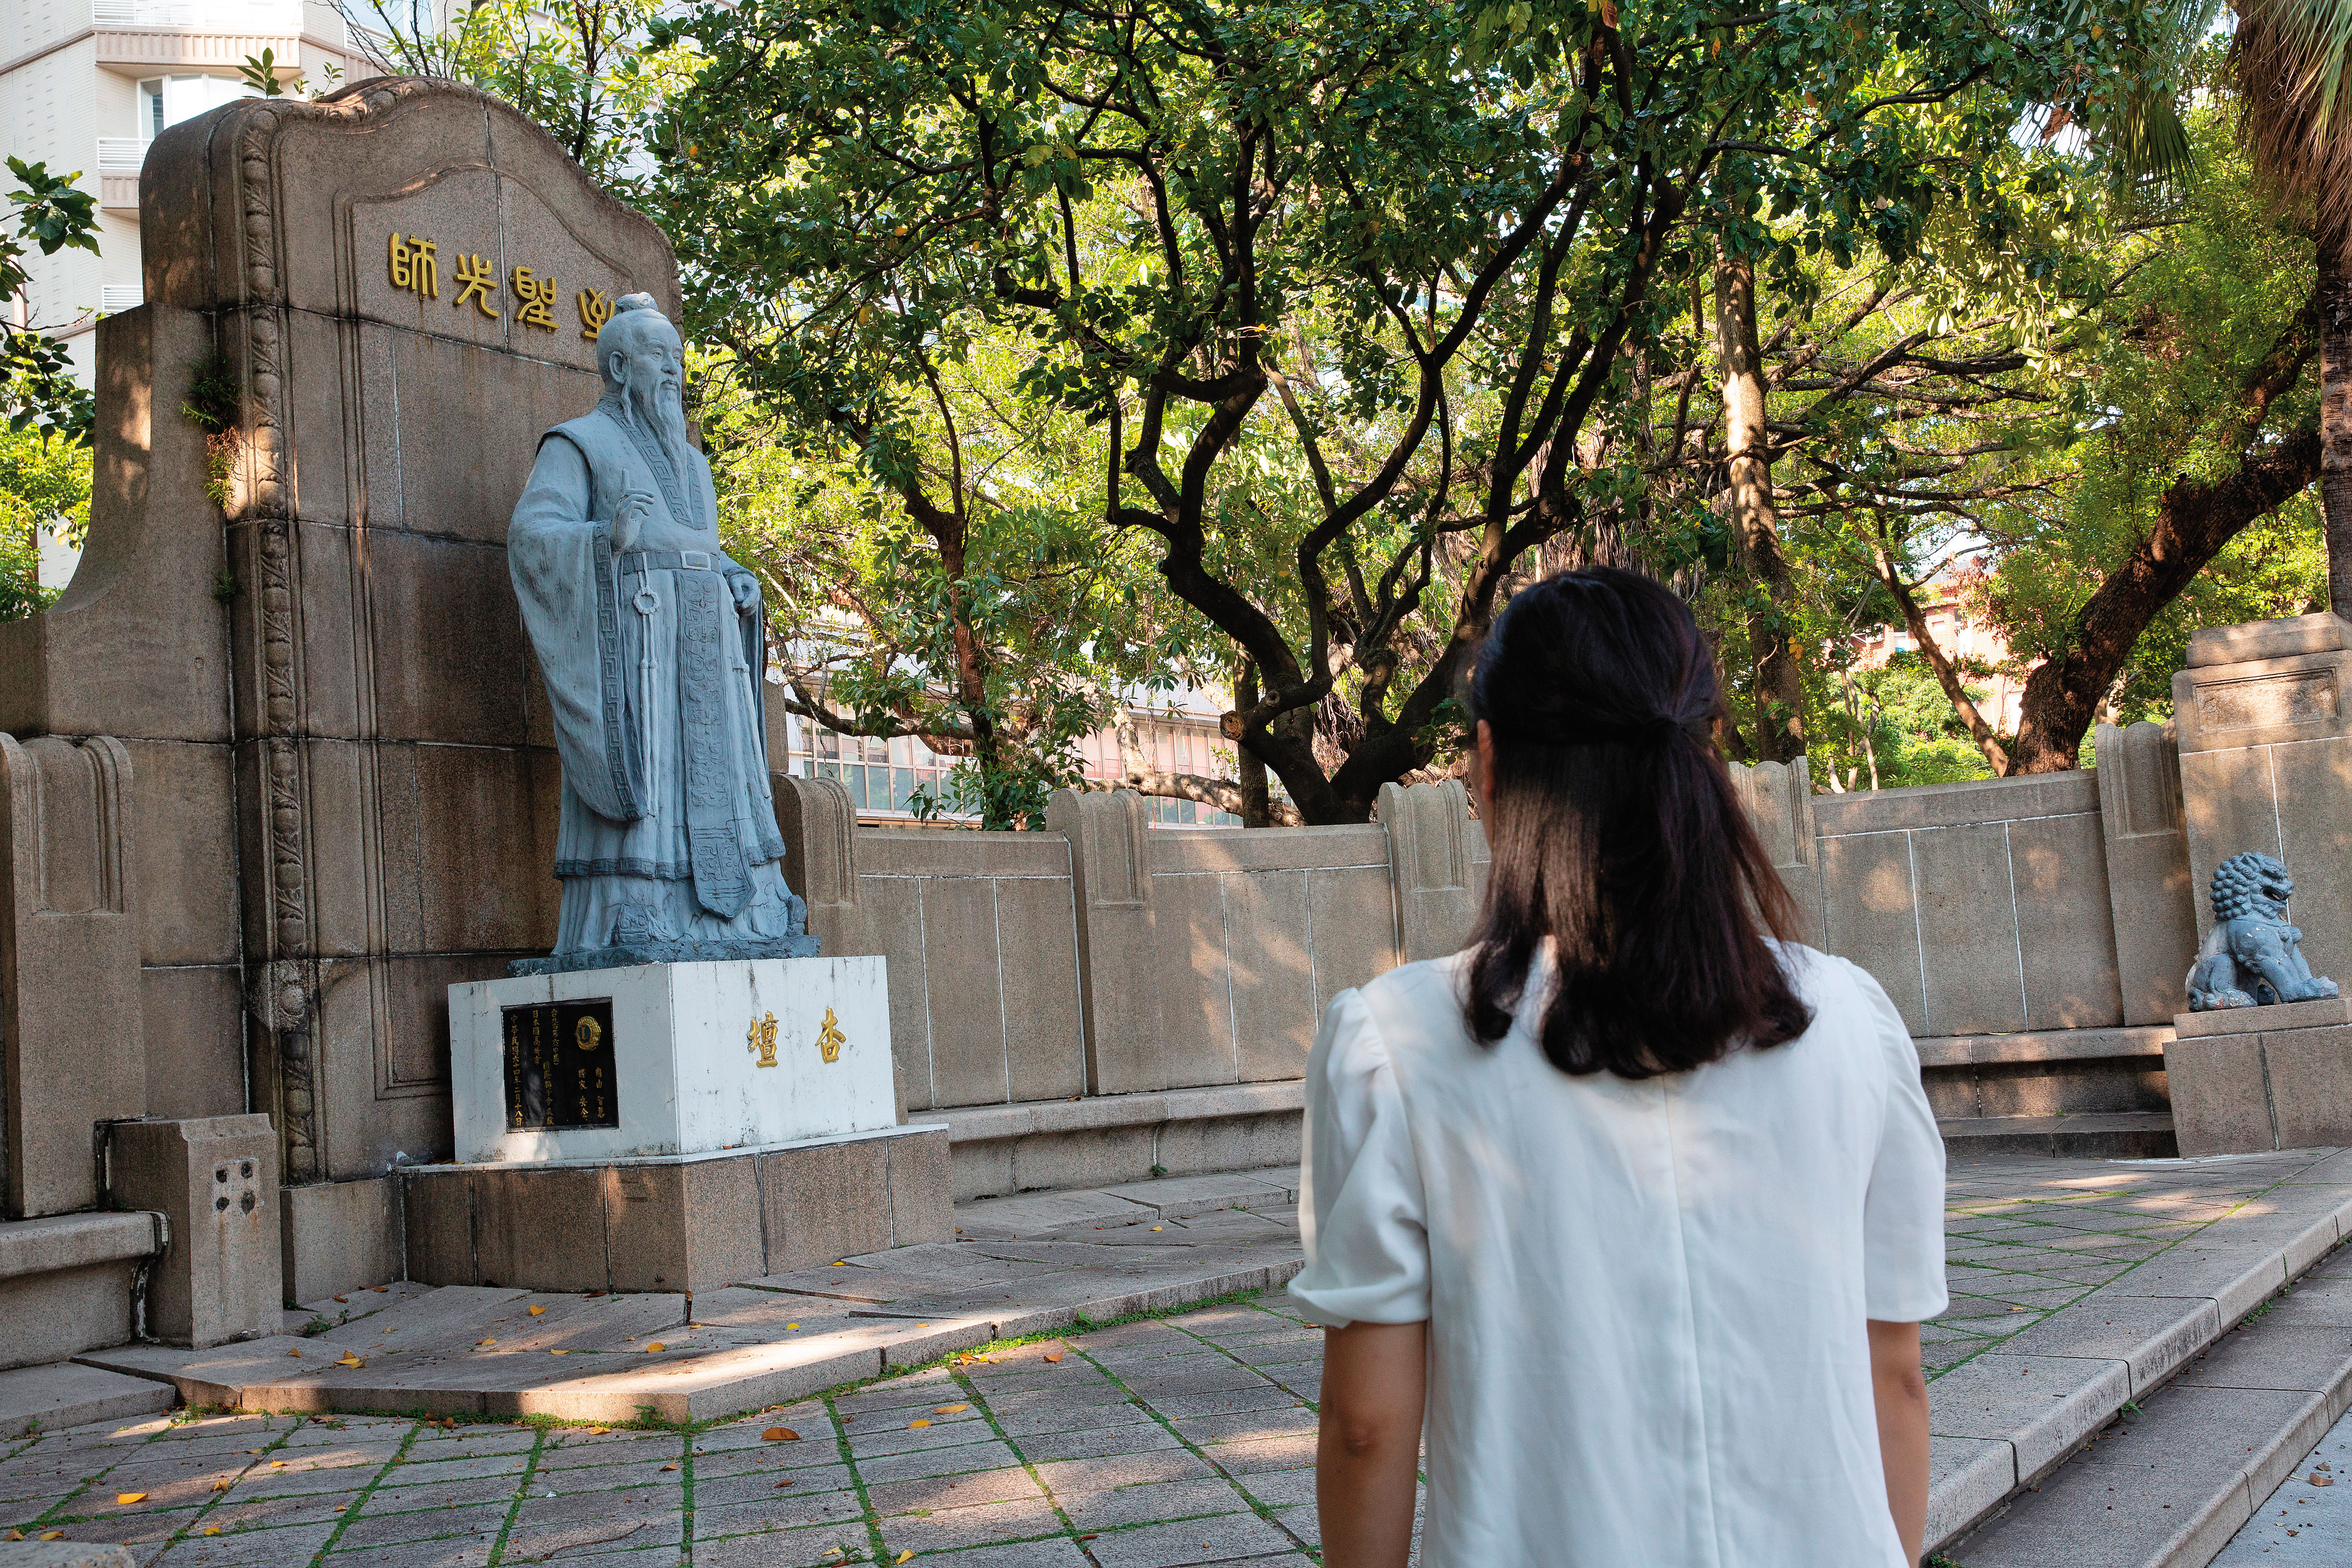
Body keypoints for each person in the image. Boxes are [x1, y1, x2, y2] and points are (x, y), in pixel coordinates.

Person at [1291, 568, 1944, 1568]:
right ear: (1701, 754)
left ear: (1491, 762)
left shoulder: (1399, 1045)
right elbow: (1894, 1375)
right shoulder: (1850, 1021)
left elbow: (1368, 1426)